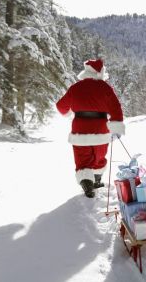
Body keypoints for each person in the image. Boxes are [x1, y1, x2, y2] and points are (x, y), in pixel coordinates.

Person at [56, 59, 125, 198]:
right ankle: (97, 180)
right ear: (100, 73)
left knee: (82, 159)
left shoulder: (76, 87)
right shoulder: (105, 87)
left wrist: (69, 112)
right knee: (99, 156)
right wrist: (116, 126)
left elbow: (61, 106)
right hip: (100, 129)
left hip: (80, 129)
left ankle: (87, 182)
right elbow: (116, 108)